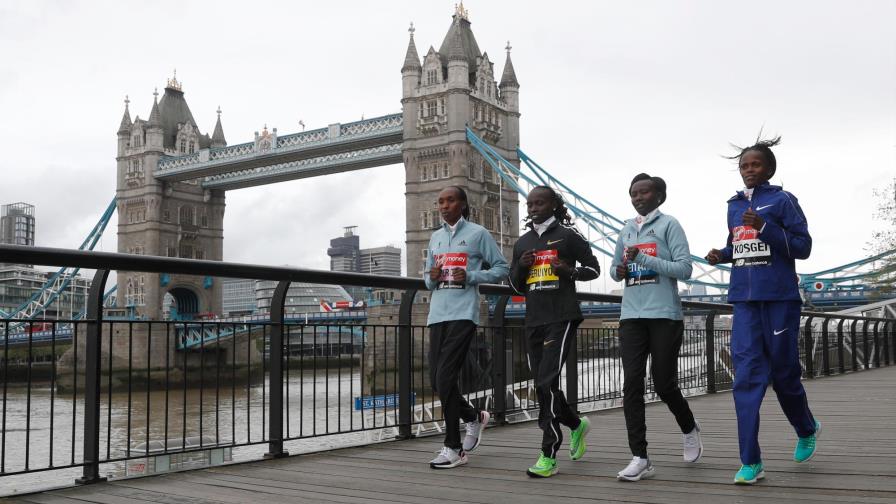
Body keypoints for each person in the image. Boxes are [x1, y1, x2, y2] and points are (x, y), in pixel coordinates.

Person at [705, 136, 819, 485]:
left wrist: (766, 228)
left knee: (784, 374)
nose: (748, 170)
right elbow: (737, 244)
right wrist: (721, 255)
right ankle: (750, 461)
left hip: (780, 300)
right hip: (744, 301)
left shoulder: (783, 200)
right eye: (743, 166)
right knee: (747, 377)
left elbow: (803, 247)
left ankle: (806, 427)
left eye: (755, 165)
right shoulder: (733, 205)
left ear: (769, 168)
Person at [609, 173, 702, 482]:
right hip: (631, 316)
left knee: (663, 384)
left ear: (659, 196)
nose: (638, 197)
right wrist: (620, 269)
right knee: (631, 385)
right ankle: (640, 456)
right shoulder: (625, 229)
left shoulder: (669, 225)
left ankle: (689, 428)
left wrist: (647, 259)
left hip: (664, 315)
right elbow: (613, 270)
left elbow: (685, 269)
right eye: (633, 192)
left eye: (644, 192)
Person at [509, 186, 600, 478]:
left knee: (545, 383)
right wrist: (521, 269)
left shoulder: (568, 236)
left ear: (553, 205)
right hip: (533, 319)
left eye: (540, 202)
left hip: (561, 317)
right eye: (530, 203)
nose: (534, 207)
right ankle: (576, 425)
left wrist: (568, 270)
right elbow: (513, 287)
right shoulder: (522, 243)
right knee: (543, 383)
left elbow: (594, 269)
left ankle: (549, 452)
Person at [424, 185, 509, 469]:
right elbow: (427, 280)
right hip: (437, 315)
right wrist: (432, 276)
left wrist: (471, 275)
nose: (444, 205)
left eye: (449, 200)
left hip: (463, 314)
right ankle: (473, 416)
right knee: (437, 382)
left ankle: (454, 448)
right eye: (440, 202)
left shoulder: (477, 234)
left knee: (446, 379)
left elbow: (501, 268)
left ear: (462, 204)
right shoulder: (434, 238)